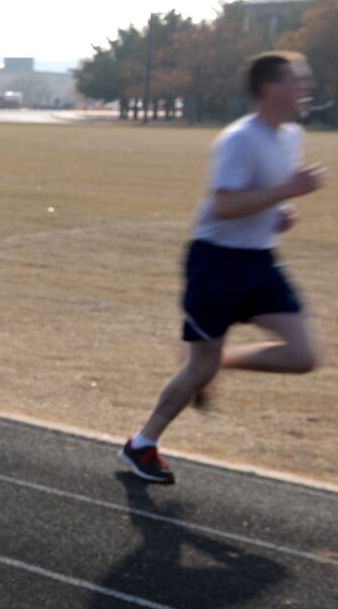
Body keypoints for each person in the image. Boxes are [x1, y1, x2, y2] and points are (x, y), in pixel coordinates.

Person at [119, 52, 326, 484]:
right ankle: (141, 444)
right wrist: (288, 190)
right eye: (295, 80)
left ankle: (219, 362)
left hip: (260, 260)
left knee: (304, 354)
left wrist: (280, 212)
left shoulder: (290, 136)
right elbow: (225, 204)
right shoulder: (238, 139)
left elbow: (264, 195)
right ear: (269, 88)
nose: (304, 87)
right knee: (198, 369)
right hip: (215, 261)